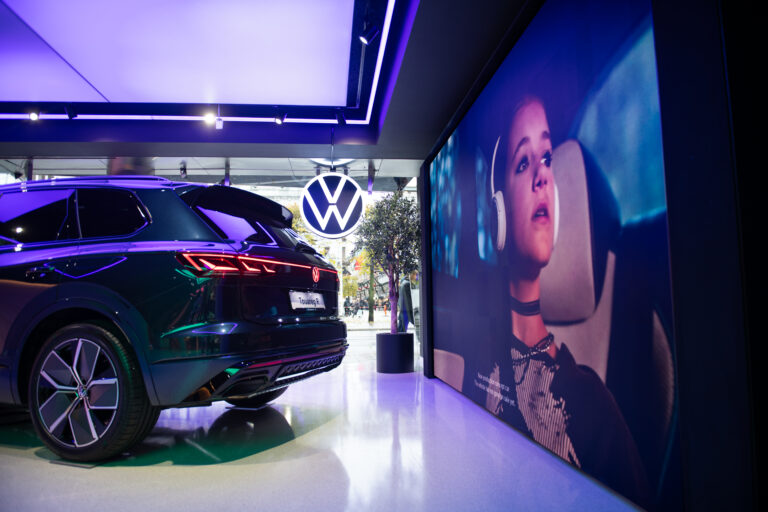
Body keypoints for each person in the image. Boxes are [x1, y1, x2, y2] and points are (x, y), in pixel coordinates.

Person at [475, 97, 649, 506]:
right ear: (496, 210)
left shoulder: (591, 402)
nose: (542, 177)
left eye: (548, 159)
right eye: (523, 163)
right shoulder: (472, 360)